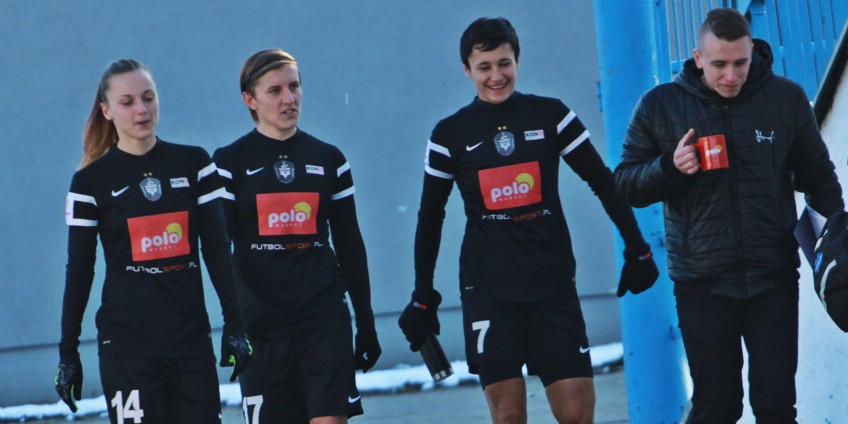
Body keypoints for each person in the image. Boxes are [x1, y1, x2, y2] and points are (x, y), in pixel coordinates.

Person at [397, 17, 659, 424]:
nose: (496, 76)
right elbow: (431, 217)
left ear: (517, 60)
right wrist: (422, 294)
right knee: (509, 418)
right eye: (484, 67)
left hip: (552, 287)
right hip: (489, 293)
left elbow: (603, 182)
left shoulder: (550, 115)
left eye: (504, 63)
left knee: (578, 416)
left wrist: (637, 248)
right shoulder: (449, 134)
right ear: (467, 70)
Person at [614, 8, 844, 423]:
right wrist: (669, 168)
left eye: (741, 62)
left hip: (772, 278)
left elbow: (820, 180)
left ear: (752, 52)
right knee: (716, 408)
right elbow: (626, 184)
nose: (731, 75)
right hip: (701, 284)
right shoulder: (660, 105)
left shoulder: (785, 98)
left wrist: (836, 251)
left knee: (776, 407)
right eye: (719, 64)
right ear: (698, 58)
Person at [55, 59, 252, 423]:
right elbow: (80, 269)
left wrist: (235, 324)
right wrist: (68, 353)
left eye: (148, 97)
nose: (141, 109)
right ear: (107, 111)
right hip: (128, 350)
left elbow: (217, 248)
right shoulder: (89, 182)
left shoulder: (194, 163)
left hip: (191, 344)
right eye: (127, 101)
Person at [212, 48, 381, 424]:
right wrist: (236, 320)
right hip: (262, 327)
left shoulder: (329, 159)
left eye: (294, 87)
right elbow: (219, 250)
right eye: (274, 91)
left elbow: (351, 246)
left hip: (323, 320)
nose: (288, 99)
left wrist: (366, 323)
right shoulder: (228, 162)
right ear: (250, 100)